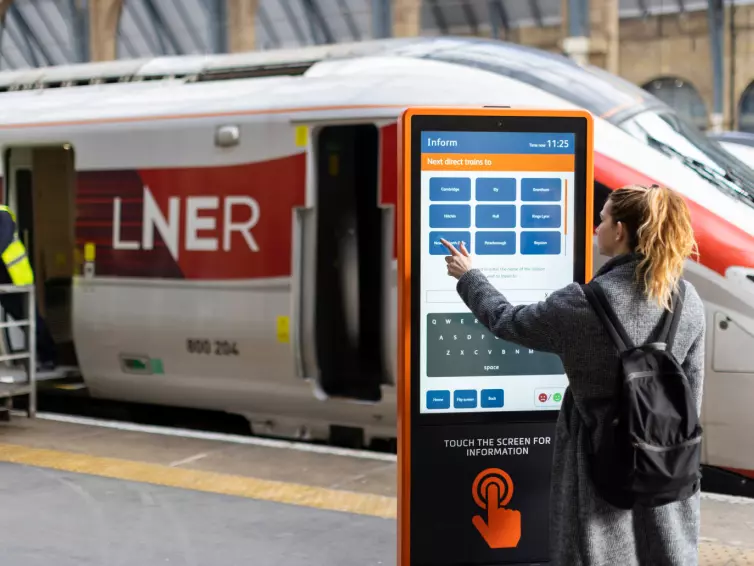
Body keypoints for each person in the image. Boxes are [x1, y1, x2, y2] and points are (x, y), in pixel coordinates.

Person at [440, 184, 705, 566]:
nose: (596, 227)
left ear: (619, 232)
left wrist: (469, 276)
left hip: (595, 463)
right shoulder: (686, 298)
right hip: (670, 466)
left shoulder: (581, 304)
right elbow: (692, 395)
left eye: (602, 219)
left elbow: (507, 321)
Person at [0, 205, 57, 370]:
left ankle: (49, 356)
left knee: (32, 320)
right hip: (4, 283)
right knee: (21, 320)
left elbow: (3, 240)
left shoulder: (3, 214)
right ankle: (39, 356)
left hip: (17, 279)